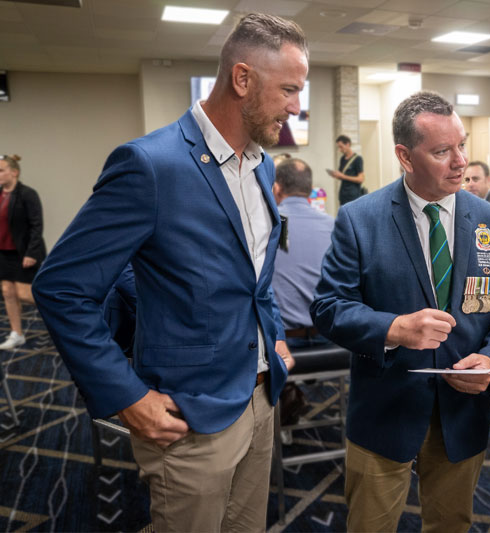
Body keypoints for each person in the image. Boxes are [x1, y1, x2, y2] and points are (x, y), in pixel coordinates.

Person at [32, 13, 307, 532]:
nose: (297, 107)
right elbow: (61, 287)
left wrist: (272, 336)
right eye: (289, 89)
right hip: (192, 414)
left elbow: (255, 277)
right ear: (242, 79)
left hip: (261, 398)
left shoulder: (263, 164)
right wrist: (126, 395)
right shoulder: (150, 165)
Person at [311, 91, 490, 532]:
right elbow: (328, 307)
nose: (460, 163)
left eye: (462, 146)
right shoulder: (360, 219)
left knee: (451, 524)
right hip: (385, 406)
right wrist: (392, 327)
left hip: (462, 410)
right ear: (404, 156)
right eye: (442, 151)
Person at [272, 158, 334, 348]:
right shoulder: (336, 226)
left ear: (276, 187)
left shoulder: (267, 226)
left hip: (283, 342)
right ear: (310, 188)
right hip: (331, 338)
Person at [0, 155, 46, 351]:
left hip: (24, 253)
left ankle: (62, 313)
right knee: (7, 292)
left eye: (1, 170)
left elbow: (37, 225)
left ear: (14, 172)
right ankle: (17, 333)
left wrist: (31, 253)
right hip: (3, 253)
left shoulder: (28, 194)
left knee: (24, 294)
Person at [330, 134, 365, 206]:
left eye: (341, 147)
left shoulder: (358, 159)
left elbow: (361, 179)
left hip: (353, 196)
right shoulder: (342, 159)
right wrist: (336, 175)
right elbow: (341, 175)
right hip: (343, 195)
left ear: (347, 144)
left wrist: (343, 176)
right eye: (338, 147)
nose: (340, 150)